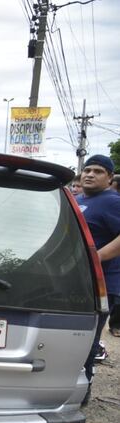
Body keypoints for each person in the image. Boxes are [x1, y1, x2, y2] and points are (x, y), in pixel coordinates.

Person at [76, 154, 120, 377]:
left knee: (86, 339)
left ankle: (84, 386)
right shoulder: (78, 198)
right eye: (87, 170)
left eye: (98, 171)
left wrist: (96, 257)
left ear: (110, 178)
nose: (90, 174)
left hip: (101, 284)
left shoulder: (112, 201)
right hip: (78, 281)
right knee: (72, 336)